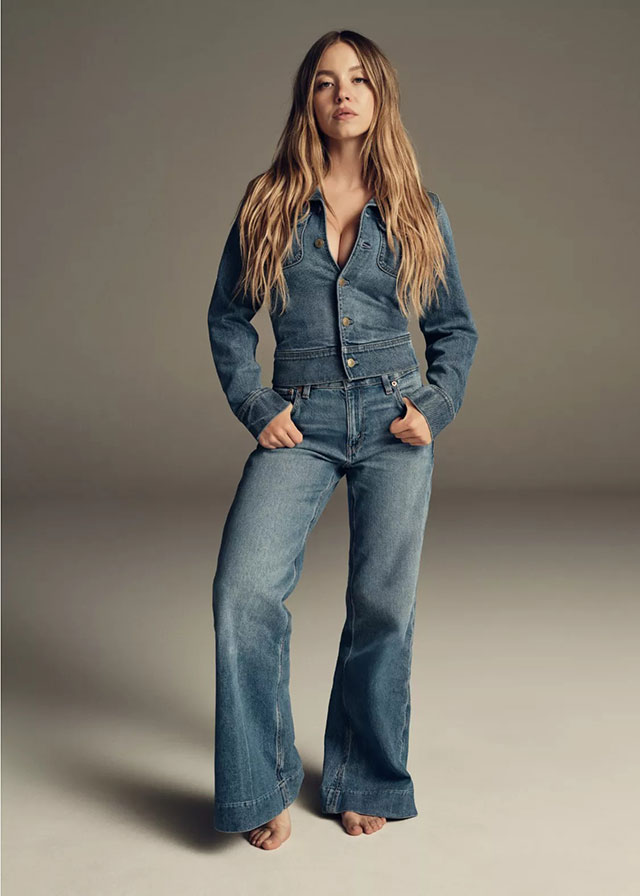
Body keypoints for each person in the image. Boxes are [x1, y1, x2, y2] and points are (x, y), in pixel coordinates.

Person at [207, 30, 479, 850]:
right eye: (326, 81)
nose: (343, 93)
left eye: (358, 79)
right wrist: (256, 403)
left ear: (379, 94)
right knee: (243, 591)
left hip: (396, 421)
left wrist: (436, 405)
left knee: (382, 605)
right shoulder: (268, 201)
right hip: (302, 420)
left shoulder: (418, 208)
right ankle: (259, 782)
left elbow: (454, 329)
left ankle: (365, 775)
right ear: (309, 100)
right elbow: (228, 319)